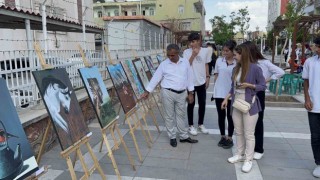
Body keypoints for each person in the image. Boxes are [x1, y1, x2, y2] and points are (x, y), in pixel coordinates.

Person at [141, 44, 198, 147]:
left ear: (178, 53)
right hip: (168, 92)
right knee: (169, 116)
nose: (170, 57)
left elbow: (190, 78)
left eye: (172, 55)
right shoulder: (164, 64)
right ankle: (172, 137)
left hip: (182, 93)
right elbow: (156, 78)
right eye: (168, 55)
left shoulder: (185, 62)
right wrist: (147, 91)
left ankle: (183, 136)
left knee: (181, 115)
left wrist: (191, 93)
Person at [221, 44, 266, 173]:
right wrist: (226, 98)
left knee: (249, 134)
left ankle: (248, 159)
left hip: (249, 104)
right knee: (238, 132)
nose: (233, 57)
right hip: (236, 103)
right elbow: (232, 87)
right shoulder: (236, 69)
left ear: (243, 55)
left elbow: (262, 86)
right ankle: (240, 154)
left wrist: (250, 85)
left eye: (235, 54)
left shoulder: (255, 68)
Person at [244, 41, 285, 160]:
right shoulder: (246, 63)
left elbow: (280, 72)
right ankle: (248, 147)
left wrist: (266, 80)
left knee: (258, 121)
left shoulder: (264, 63)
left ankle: (259, 149)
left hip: (258, 94)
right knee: (247, 120)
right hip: (247, 92)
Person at [183, 33, 211, 135]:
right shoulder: (186, 52)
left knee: (202, 103)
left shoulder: (205, 51)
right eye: (190, 42)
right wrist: (193, 55)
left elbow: (206, 64)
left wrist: (208, 77)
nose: (192, 44)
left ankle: (200, 124)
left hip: (202, 82)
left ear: (199, 40)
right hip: (190, 83)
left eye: (194, 41)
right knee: (191, 103)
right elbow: (186, 66)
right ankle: (191, 125)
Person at [213, 40, 237, 149]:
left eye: (227, 51)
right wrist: (215, 90)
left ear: (233, 51)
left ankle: (230, 137)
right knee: (221, 116)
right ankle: (222, 136)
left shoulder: (237, 62)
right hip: (219, 93)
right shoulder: (219, 61)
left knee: (231, 116)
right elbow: (216, 75)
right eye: (224, 50)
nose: (225, 53)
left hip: (231, 93)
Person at [302, 37, 320, 178]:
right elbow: (306, 81)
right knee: (315, 136)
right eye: (316, 46)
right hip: (314, 106)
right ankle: (319, 163)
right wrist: (307, 98)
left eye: (319, 47)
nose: (317, 49)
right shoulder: (310, 62)